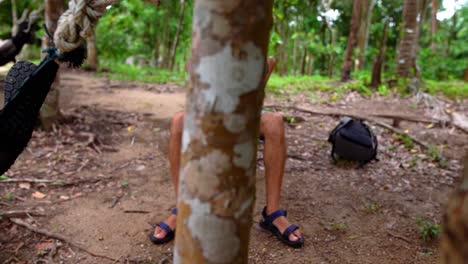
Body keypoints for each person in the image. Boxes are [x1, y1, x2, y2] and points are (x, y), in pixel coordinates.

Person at [149, 57, 304, 248]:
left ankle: (272, 213)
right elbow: (197, 87)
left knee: (275, 122)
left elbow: (256, 93)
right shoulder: (205, 51)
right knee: (179, 121)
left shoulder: (258, 53)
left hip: (245, 113)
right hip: (210, 112)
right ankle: (182, 209)